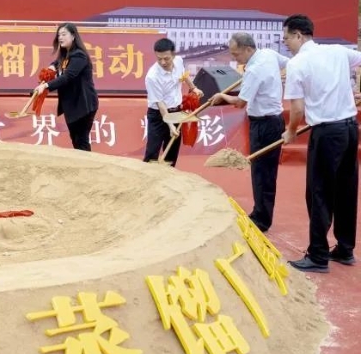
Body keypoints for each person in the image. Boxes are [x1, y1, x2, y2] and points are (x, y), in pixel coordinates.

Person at [281, 14, 361, 273]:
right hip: (350, 129)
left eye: (286, 39)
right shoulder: (339, 52)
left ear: (298, 35)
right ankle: (345, 248)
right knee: (346, 190)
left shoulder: (298, 63)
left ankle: (317, 255)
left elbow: (296, 109)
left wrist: (291, 132)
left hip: (327, 133)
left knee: (319, 192)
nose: (286, 44)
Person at [211, 33, 289, 232]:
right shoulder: (268, 54)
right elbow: (289, 64)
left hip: (265, 124)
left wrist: (222, 96)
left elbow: (240, 103)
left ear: (247, 49)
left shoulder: (254, 69)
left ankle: (262, 219)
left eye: (236, 54)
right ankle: (259, 212)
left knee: (263, 172)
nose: (234, 58)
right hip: (271, 120)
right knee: (261, 170)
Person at [33, 22, 99, 151]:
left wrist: (46, 85)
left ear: (73, 36)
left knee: (81, 140)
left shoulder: (79, 55)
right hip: (72, 105)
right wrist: (52, 67)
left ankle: (87, 168)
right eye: (59, 35)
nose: (60, 38)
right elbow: (57, 62)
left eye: (64, 34)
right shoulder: (65, 55)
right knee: (75, 139)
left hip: (83, 104)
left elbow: (68, 77)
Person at [142, 38, 203, 166]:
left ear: (173, 55)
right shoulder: (152, 76)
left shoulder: (179, 61)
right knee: (152, 152)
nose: (163, 62)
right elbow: (160, 104)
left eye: (166, 58)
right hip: (158, 115)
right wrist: (170, 125)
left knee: (172, 151)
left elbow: (184, 76)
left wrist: (193, 88)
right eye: (159, 59)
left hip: (176, 111)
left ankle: (168, 179)